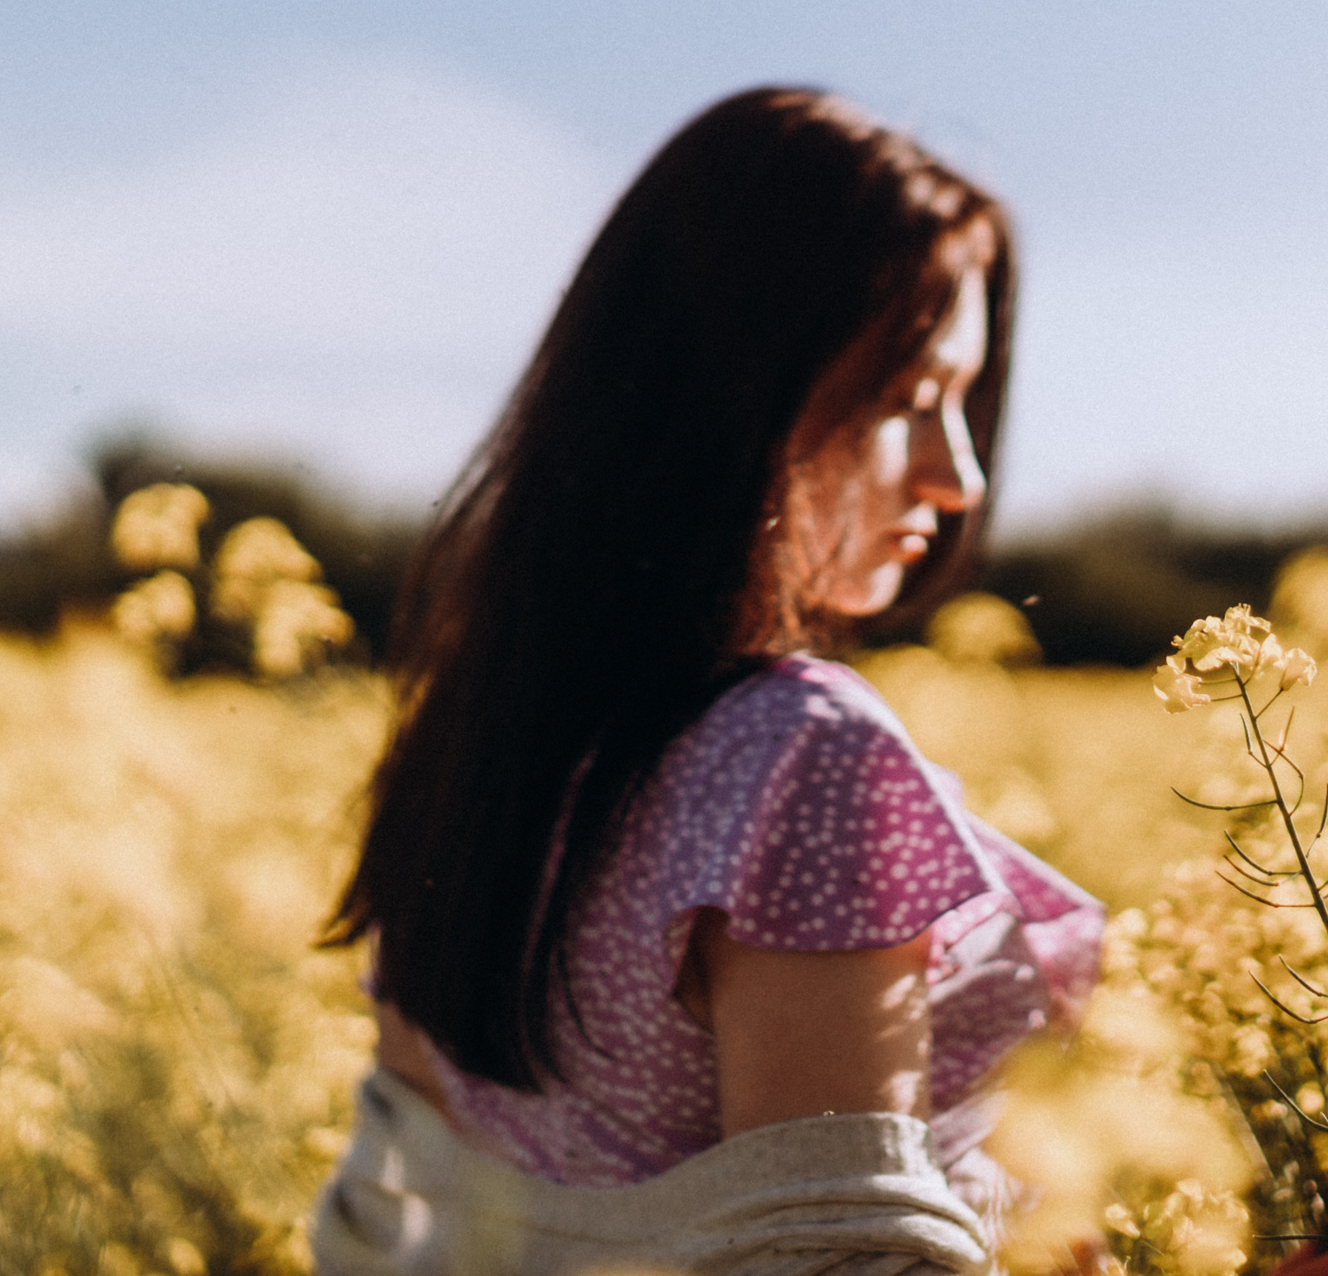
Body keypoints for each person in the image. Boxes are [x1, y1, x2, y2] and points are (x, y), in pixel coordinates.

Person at [309, 87, 1103, 1276]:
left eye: (960, 401)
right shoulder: (801, 755)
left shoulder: (471, 749)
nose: (959, 479)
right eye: (908, 400)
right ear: (732, 394)